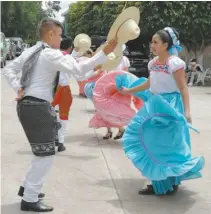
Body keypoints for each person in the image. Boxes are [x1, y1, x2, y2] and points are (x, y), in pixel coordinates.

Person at [3, 18, 117, 212]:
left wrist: (18, 88)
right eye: (59, 34)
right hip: (37, 107)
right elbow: (80, 69)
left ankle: (29, 189)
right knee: (45, 155)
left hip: (28, 105)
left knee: (42, 152)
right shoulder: (50, 54)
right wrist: (104, 53)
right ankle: (30, 198)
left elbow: (8, 69)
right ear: (50, 34)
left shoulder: (32, 51)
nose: (61, 38)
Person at [121, 27, 204, 195]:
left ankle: (170, 182)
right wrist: (129, 90)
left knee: (170, 146)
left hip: (171, 107)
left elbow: (183, 88)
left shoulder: (175, 63)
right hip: (155, 105)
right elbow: (149, 84)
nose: (152, 45)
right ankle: (160, 181)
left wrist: (187, 112)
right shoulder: (153, 63)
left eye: (155, 42)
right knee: (153, 143)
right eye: (151, 42)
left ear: (165, 44)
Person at [51, 36, 73, 152]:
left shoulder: (52, 55)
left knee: (48, 113)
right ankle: (60, 142)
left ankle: (50, 139)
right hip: (64, 89)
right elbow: (78, 74)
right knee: (63, 116)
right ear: (70, 48)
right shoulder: (68, 58)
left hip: (50, 89)